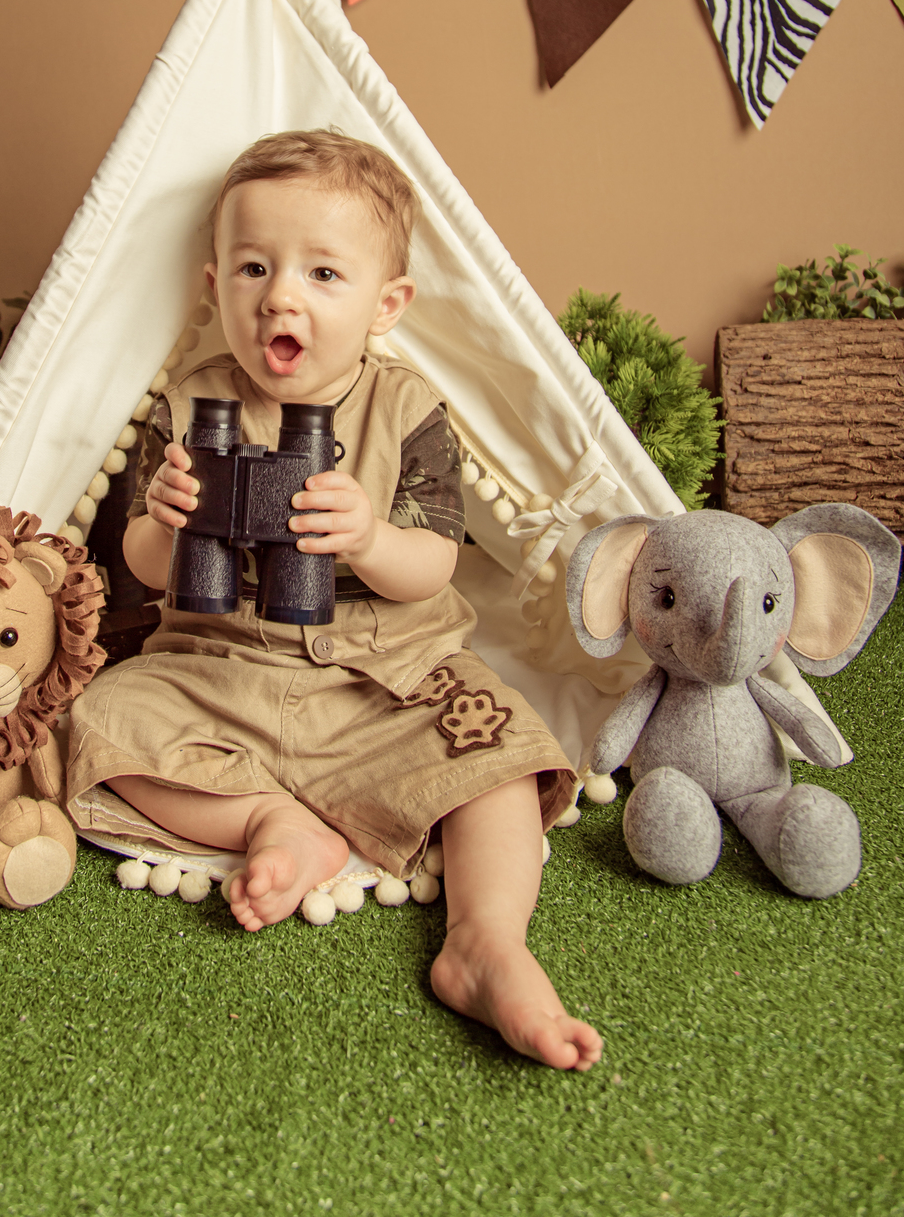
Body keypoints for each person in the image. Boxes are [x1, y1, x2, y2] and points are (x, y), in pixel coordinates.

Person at [67, 131, 602, 1071]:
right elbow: (145, 569)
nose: (281, 295)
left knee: (501, 752)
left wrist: (367, 537)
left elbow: (434, 564)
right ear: (213, 284)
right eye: (253, 268)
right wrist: (163, 518)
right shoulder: (193, 405)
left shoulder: (407, 408)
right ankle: (267, 822)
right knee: (98, 723)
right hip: (218, 667)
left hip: (382, 675)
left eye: (322, 272)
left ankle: (486, 942)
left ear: (384, 304)